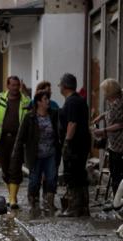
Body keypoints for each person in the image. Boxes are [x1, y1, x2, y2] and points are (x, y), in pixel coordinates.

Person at [0, 76, 31, 209]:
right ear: (8, 85)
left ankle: (13, 199)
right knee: (5, 169)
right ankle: (11, 195)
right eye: (13, 85)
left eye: (17, 85)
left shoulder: (25, 100)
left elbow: (31, 116)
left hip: (18, 139)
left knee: (15, 168)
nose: (15, 88)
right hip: (2, 139)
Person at [12, 91, 60, 216]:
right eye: (45, 99)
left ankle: (49, 202)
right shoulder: (30, 117)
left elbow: (59, 131)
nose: (48, 101)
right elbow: (20, 136)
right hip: (35, 155)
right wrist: (16, 153)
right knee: (34, 180)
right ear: (38, 102)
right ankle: (34, 202)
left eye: (48, 99)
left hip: (50, 153)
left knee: (51, 178)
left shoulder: (53, 115)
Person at [59, 73, 91, 217]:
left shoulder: (71, 102)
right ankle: (83, 207)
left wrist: (67, 142)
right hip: (82, 143)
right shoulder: (80, 100)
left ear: (65, 86)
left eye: (60, 85)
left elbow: (72, 123)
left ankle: (74, 207)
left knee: (72, 175)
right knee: (80, 174)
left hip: (75, 144)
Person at [93, 78, 123, 200]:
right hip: (114, 144)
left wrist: (103, 131)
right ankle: (117, 201)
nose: (103, 94)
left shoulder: (118, 103)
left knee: (118, 176)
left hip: (119, 146)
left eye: (104, 91)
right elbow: (110, 113)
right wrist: (102, 116)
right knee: (115, 175)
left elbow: (121, 124)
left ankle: (118, 203)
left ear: (109, 92)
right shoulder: (115, 102)